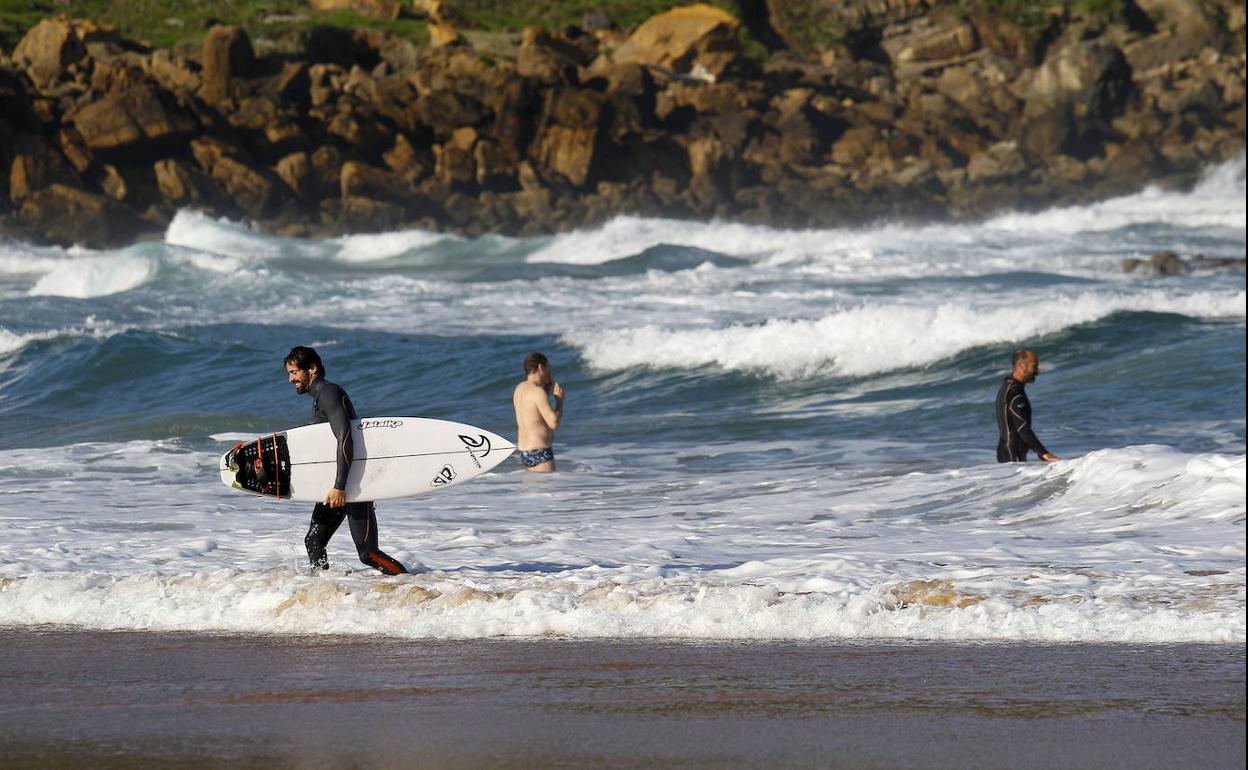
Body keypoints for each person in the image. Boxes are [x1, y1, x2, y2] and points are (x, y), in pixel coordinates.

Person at [283, 346, 408, 575]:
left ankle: (412, 585)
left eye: (294, 372)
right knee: (314, 541)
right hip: (338, 484)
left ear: (312, 369)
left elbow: (346, 438)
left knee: (368, 553)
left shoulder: (330, 393)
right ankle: (322, 591)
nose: (291, 379)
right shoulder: (320, 397)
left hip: (349, 483)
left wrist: (343, 486)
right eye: (289, 373)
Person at [995, 347, 1062, 463]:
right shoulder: (1014, 392)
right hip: (1012, 455)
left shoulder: (1009, 387)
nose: (1037, 371)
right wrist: (1044, 453)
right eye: (1034, 366)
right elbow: (1022, 428)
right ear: (1021, 366)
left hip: (1008, 453)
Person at [512, 352, 564, 472]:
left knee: (534, 490)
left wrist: (546, 392)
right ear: (541, 367)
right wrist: (560, 401)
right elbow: (554, 423)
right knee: (549, 490)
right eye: (548, 369)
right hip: (540, 451)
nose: (550, 374)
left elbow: (533, 413)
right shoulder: (537, 392)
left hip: (525, 452)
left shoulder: (519, 388)